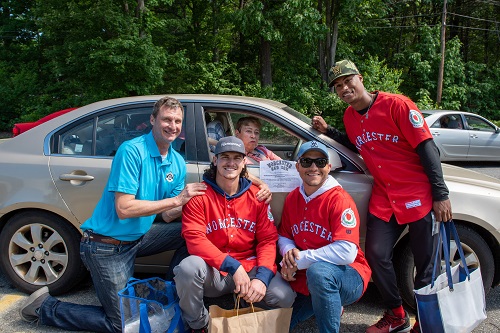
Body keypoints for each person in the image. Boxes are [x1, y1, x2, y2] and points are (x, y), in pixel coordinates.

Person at [19, 96, 208, 333]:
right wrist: (178, 199)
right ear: (153, 120)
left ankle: (168, 291)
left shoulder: (177, 162)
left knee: (190, 233)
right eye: (166, 119)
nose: (172, 126)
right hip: (106, 248)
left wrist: (198, 200)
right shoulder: (131, 151)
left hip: (139, 239)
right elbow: (124, 208)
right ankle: (44, 307)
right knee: (122, 325)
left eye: (177, 121)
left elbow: (169, 215)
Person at [312, 60, 452, 333]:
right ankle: (396, 314)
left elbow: (427, 148)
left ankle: (425, 323)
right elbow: (357, 144)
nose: (344, 88)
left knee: (424, 266)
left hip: (417, 192)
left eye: (347, 81)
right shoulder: (349, 117)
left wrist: (440, 194)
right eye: (338, 86)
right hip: (384, 196)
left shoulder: (397, 105)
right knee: (375, 254)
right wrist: (329, 132)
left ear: (360, 78)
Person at [174, 136, 296, 333]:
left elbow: (267, 240)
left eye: (237, 158)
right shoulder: (199, 196)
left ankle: (254, 314)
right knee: (187, 269)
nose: (230, 163)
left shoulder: (257, 196)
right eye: (225, 157)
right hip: (215, 271)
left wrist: (262, 278)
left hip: (251, 267)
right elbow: (195, 240)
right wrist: (232, 266)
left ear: (244, 162)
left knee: (284, 296)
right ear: (215, 160)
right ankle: (200, 325)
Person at [278, 140, 372, 333]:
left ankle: (331, 310)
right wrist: (288, 254)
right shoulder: (293, 197)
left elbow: (346, 252)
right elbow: (284, 235)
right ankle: (329, 304)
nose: (313, 167)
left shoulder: (339, 200)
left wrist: (299, 260)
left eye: (320, 162)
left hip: (349, 274)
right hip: (308, 278)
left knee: (319, 273)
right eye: (306, 162)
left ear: (328, 167)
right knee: (279, 327)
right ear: (298, 166)